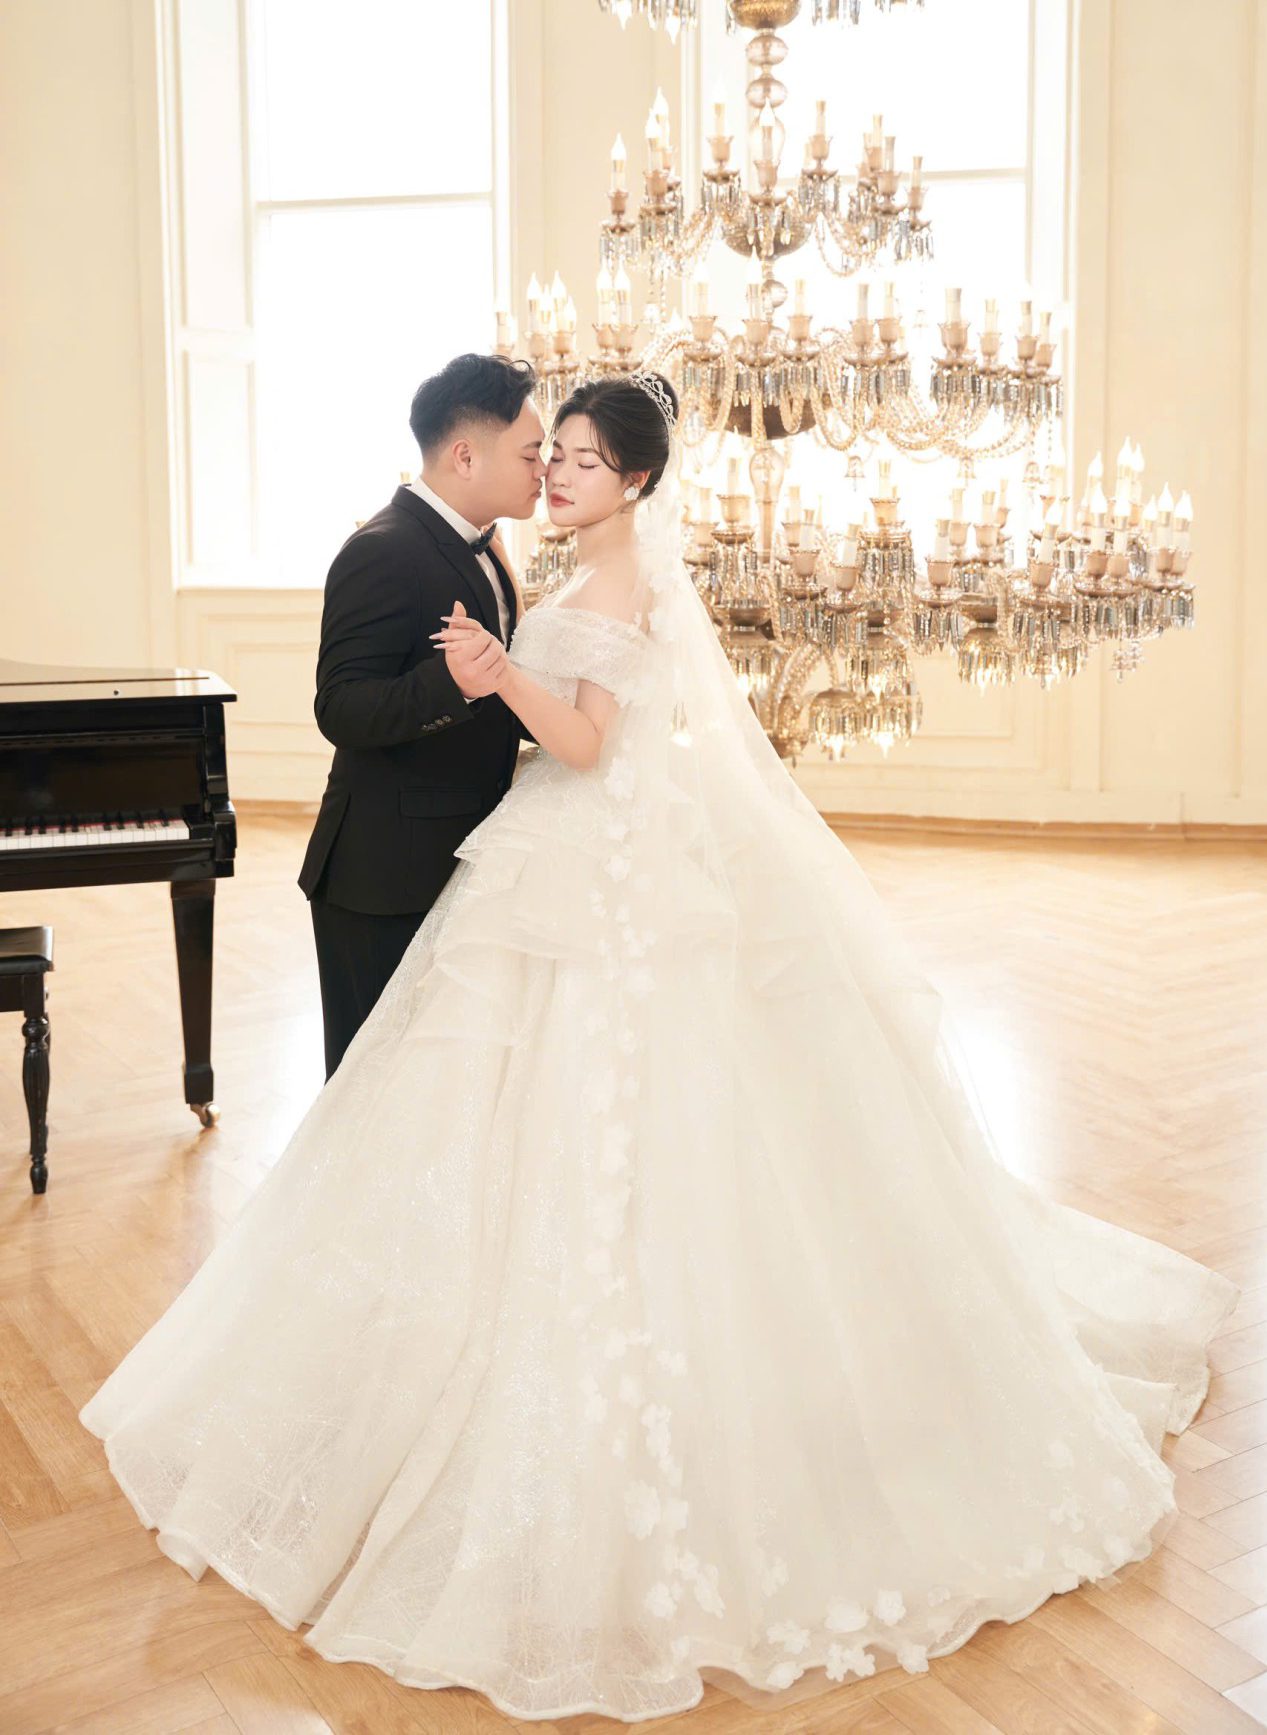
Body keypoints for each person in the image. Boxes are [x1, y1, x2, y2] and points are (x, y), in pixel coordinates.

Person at [80, 371, 1237, 1725]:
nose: (553, 472)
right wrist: (494, 674)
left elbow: (581, 744)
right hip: (533, 859)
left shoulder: (612, 582)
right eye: (546, 452)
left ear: (632, 478)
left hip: (583, 857)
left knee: (607, 1124)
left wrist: (501, 673)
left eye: (576, 457)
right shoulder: (542, 563)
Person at [298, 352, 548, 1079]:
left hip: (462, 859)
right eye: (530, 453)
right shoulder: (381, 551)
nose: (544, 468)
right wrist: (450, 685)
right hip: (384, 877)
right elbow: (339, 706)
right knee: (367, 1090)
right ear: (466, 455)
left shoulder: (489, 547)